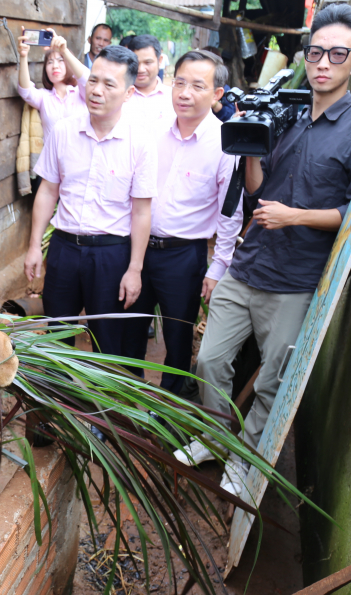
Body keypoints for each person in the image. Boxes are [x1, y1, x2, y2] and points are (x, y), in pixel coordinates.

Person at [184, 4, 351, 493]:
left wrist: (293, 217)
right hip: (248, 267)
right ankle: (213, 437)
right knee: (209, 360)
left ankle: (245, 460)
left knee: (273, 380)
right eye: (315, 52)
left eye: (337, 54)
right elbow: (256, 190)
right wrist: (250, 142)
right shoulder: (286, 111)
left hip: (295, 281)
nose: (322, 63)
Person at [22, 45, 157, 356]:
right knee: (56, 335)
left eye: (109, 84)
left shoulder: (141, 143)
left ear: (128, 93)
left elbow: (141, 211)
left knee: (107, 340)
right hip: (64, 249)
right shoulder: (64, 131)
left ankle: (102, 403)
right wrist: (33, 247)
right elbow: (47, 190)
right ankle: (55, 401)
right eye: (93, 80)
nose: (97, 90)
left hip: (111, 255)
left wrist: (134, 269)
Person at [123, 50, 243, 397]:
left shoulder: (225, 144)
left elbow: (230, 212)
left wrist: (218, 266)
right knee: (130, 329)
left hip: (183, 257)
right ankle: (128, 402)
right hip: (139, 248)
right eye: (179, 83)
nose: (185, 93)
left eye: (197, 86)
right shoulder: (153, 130)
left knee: (178, 337)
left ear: (217, 94)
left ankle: (169, 405)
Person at [16, 29, 90, 138]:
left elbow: (87, 79)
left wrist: (64, 51)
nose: (55, 66)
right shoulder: (44, 97)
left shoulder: (81, 93)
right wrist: (23, 56)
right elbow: (25, 91)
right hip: (51, 155)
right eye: (50, 62)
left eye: (60, 60)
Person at [122, 34, 175, 127]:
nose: (141, 69)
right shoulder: (118, 96)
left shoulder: (173, 98)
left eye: (148, 62)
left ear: (160, 60)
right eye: (136, 63)